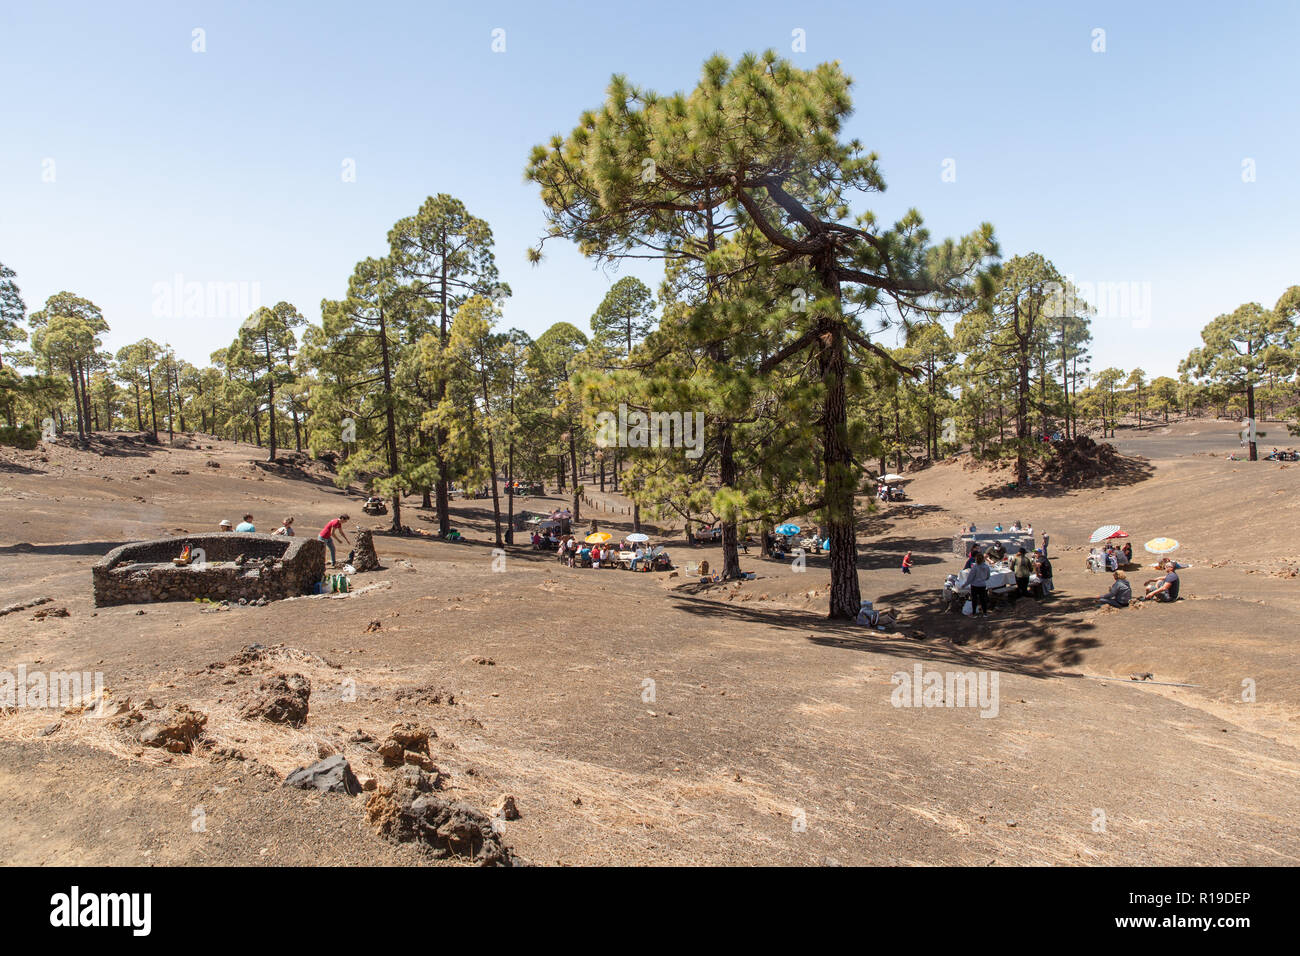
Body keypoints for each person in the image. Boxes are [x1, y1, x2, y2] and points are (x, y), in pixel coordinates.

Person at [967, 551, 992, 617]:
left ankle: (974, 613)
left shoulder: (975, 567)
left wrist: (965, 583)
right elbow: (988, 576)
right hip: (983, 585)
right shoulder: (986, 567)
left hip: (975, 585)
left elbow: (970, 577)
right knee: (983, 599)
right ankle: (985, 613)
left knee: (974, 600)